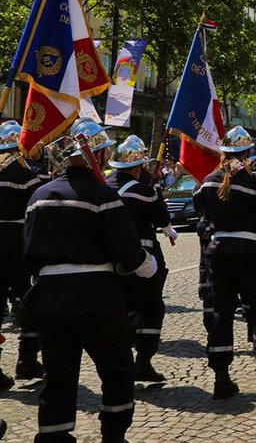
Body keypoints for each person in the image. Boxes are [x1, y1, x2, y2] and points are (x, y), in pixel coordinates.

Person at [23, 119, 158, 440]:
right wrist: (147, 265)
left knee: (57, 378)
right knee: (117, 371)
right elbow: (126, 251)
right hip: (97, 298)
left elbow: (27, 250)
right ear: (94, 155)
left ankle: (53, 438)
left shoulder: (38, 196)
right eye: (104, 152)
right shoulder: (103, 196)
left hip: (50, 299)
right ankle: (113, 435)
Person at [193, 126, 256, 398]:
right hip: (247, 252)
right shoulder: (253, 185)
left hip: (218, 252)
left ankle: (221, 376)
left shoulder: (207, 182)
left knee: (221, 312)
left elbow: (202, 220)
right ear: (246, 153)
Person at [106, 135, 174, 383]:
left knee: (121, 309)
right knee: (152, 308)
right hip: (142, 256)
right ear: (136, 167)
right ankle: (143, 362)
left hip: (111, 259)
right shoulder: (142, 190)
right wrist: (155, 192)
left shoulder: (103, 186)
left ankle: (120, 363)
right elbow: (162, 218)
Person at [0, 121, 41, 385]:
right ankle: (27, 359)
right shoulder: (25, 174)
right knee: (31, 301)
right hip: (18, 242)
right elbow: (37, 210)